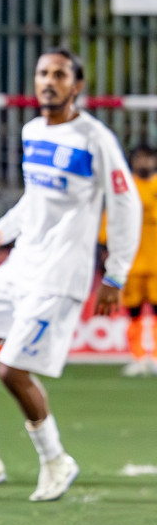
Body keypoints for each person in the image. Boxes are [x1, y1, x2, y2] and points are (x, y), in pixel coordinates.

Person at [0, 49, 140, 501]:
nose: (49, 81)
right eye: (43, 73)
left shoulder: (94, 138)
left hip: (60, 275)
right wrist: (0, 231)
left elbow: (126, 205)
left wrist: (116, 273)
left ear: (76, 85)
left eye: (60, 74)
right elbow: (36, 201)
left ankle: (55, 460)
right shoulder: (32, 131)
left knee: (12, 369)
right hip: (21, 264)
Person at [119, 145, 157, 376]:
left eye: (149, 158)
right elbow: (110, 221)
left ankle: (155, 357)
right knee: (133, 312)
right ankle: (138, 357)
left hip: (156, 262)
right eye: (140, 158)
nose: (144, 163)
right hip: (130, 262)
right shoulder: (124, 186)